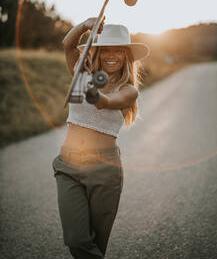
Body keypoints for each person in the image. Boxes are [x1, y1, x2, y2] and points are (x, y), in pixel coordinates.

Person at [52, 17, 149, 259]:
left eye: (119, 50)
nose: (112, 55)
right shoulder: (80, 71)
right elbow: (67, 44)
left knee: (96, 243)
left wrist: (88, 86)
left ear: (127, 56)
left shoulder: (128, 90)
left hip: (105, 170)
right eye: (106, 50)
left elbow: (104, 103)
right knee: (77, 240)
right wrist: (85, 26)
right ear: (98, 52)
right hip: (69, 164)